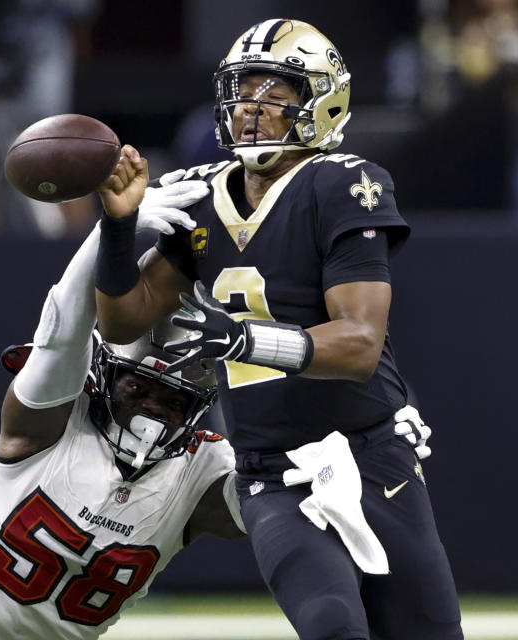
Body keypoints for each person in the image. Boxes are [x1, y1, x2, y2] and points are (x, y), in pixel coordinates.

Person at [94, 19, 462, 640]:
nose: (250, 109)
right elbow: (123, 316)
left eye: (274, 94)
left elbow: (360, 345)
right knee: (331, 625)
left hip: (372, 453)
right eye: (242, 92)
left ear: (322, 101)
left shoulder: (341, 183)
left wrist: (243, 340)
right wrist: (118, 227)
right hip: (270, 470)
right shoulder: (201, 197)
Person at [0, 190, 244, 640]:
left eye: (174, 402)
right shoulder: (56, 420)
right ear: (105, 375)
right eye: (138, 387)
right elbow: (61, 330)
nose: (152, 412)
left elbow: (281, 497)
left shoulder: (201, 471)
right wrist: (109, 231)